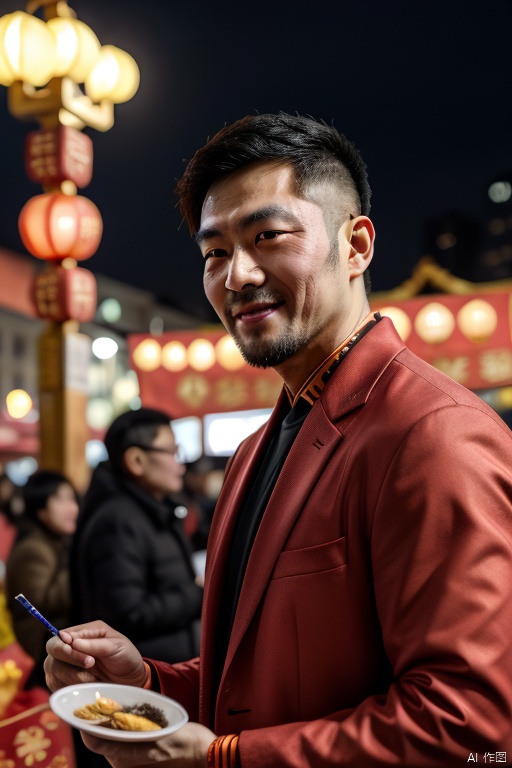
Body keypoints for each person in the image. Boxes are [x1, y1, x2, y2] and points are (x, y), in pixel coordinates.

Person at [44, 113, 512, 767]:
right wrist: (145, 682)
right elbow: (256, 683)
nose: (236, 275)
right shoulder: (255, 451)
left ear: (356, 246)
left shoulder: (432, 435)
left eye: (267, 236)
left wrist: (227, 759)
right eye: (214, 253)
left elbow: (471, 728)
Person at [71, 408, 203, 664]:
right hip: (139, 674)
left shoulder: (153, 510)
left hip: (164, 665)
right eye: (172, 451)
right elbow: (127, 613)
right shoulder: (117, 521)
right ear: (136, 460)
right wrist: (197, 593)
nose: (180, 464)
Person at [6, 470, 79, 689]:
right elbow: (41, 606)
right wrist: (80, 565)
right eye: (59, 499)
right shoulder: (33, 548)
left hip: (53, 649)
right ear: (40, 508)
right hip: (39, 655)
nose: (71, 508)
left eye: (72, 498)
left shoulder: (55, 541)